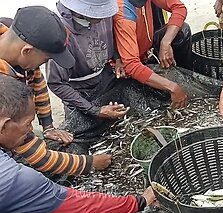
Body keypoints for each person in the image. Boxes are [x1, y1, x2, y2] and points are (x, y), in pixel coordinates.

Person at [0, 73, 157, 213]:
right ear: (5, 125)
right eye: (27, 124)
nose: (31, 130)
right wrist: (139, 202)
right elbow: (81, 204)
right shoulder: (11, 179)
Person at [0, 6, 111, 175]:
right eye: (46, 59)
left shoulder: (16, 46)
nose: (45, 64)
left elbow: (37, 82)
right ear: (27, 51)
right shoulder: (3, 90)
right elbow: (32, 151)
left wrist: (48, 126)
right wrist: (89, 163)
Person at [46, 0, 130, 148]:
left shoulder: (105, 16)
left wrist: (118, 59)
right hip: (79, 91)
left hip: (105, 76)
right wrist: (95, 110)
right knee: (81, 135)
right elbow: (56, 83)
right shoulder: (59, 32)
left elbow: (114, 34)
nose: (101, 17)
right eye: (97, 12)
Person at [113, 0, 190, 109]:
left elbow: (179, 8)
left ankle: (182, 77)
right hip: (126, 60)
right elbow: (131, 64)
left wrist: (166, 42)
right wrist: (172, 87)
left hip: (146, 50)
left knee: (182, 30)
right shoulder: (123, 12)